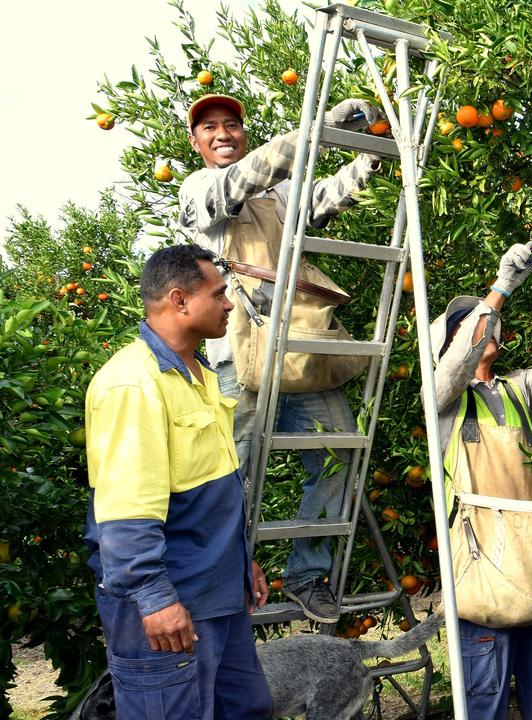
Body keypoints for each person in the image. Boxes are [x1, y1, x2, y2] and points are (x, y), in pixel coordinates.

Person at [178, 93, 384, 623]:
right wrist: (316, 129)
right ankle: (229, 580)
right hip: (240, 361)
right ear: (196, 142)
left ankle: (306, 573)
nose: (223, 134)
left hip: (297, 351)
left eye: (232, 125)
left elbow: (326, 196)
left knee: (340, 456)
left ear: (244, 133)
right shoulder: (200, 189)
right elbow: (240, 182)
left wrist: (367, 154)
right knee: (232, 478)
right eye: (211, 128)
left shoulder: (280, 189)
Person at [84, 245, 271, 719]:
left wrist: (240, 565)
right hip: (172, 604)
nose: (229, 304)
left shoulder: (199, 374)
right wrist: (154, 598)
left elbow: (212, 487)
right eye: (220, 293)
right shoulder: (132, 383)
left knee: (248, 708)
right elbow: (126, 510)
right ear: (179, 300)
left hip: (217, 593)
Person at [427, 239, 532, 719]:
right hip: (482, 570)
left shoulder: (518, 390)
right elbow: (459, 359)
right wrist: (500, 288)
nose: (486, 327)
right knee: (486, 701)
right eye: (471, 325)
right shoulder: (444, 400)